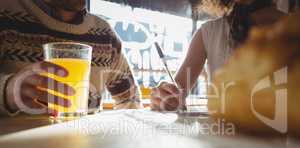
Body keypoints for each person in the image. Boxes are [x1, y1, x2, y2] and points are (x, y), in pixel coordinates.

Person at [0, 0, 141, 116]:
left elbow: (130, 99)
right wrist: (6, 91)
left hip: (86, 147)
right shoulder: (4, 11)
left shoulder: (106, 34)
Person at [150, 0, 286, 111]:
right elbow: (175, 93)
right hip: (224, 138)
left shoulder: (293, 28)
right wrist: (164, 96)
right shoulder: (208, 33)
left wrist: (168, 98)